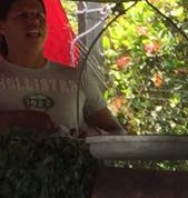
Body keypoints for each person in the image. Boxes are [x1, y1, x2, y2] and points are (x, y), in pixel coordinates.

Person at [0, 0, 123, 135]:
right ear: (2, 26)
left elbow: (117, 133)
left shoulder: (77, 79)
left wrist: (88, 136)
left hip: (68, 156)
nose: (34, 22)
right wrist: (18, 119)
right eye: (23, 15)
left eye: (39, 16)